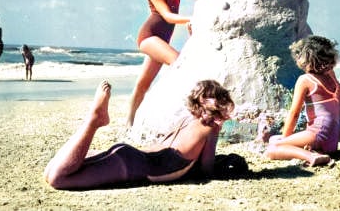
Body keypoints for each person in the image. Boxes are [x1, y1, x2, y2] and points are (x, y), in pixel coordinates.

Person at [44, 79, 234, 190]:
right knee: (59, 178)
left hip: (130, 154)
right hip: (132, 165)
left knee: (51, 171)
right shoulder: (211, 130)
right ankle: (94, 121)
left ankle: (93, 121)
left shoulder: (186, 122)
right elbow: (207, 171)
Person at [127, 0, 205, 127]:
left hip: (162, 41)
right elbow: (168, 16)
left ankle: (129, 123)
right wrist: (194, 18)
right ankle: (179, 112)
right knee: (178, 63)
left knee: (143, 84)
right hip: (149, 37)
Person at [265, 35, 340, 167]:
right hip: (332, 142)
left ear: (306, 57)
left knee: (273, 148)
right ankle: (314, 151)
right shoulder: (331, 76)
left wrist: (285, 140)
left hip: (318, 133)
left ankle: (311, 156)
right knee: (275, 139)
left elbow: (294, 114)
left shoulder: (305, 80)